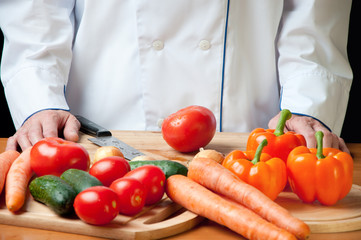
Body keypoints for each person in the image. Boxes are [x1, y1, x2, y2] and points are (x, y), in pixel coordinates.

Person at [0, 0, 353, 153]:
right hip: (96, 141)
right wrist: (39, 101)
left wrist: (308, 104)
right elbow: (36, 17)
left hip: (251, 147)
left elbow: (313, 18)